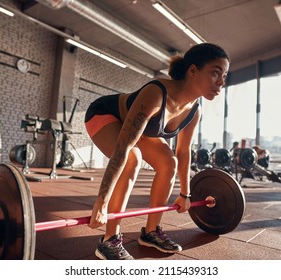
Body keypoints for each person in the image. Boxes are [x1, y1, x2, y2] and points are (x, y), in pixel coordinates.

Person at [84, 43, 230, 260]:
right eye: (215, 73)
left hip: (138, 129)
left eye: (224, 75)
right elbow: (123, 149)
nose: (221, 82)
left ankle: (151, 232)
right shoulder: (156, 93)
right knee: (133, 158)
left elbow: (183, 152)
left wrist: (185, 194)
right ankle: (109, 240)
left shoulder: (194, 111)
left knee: (168, 162)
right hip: (105, 114)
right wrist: (102, 201)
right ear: (192, 71)